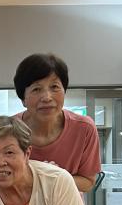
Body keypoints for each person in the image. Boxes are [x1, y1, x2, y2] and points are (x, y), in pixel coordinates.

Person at [14, 53, 101, 193]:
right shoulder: (8, 131)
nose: (47, 97)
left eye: (54, 87)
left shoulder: (84, 128)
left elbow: (88, 182)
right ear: (23, 99)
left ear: (64, 91)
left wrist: (47, 178)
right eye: (36, 89)